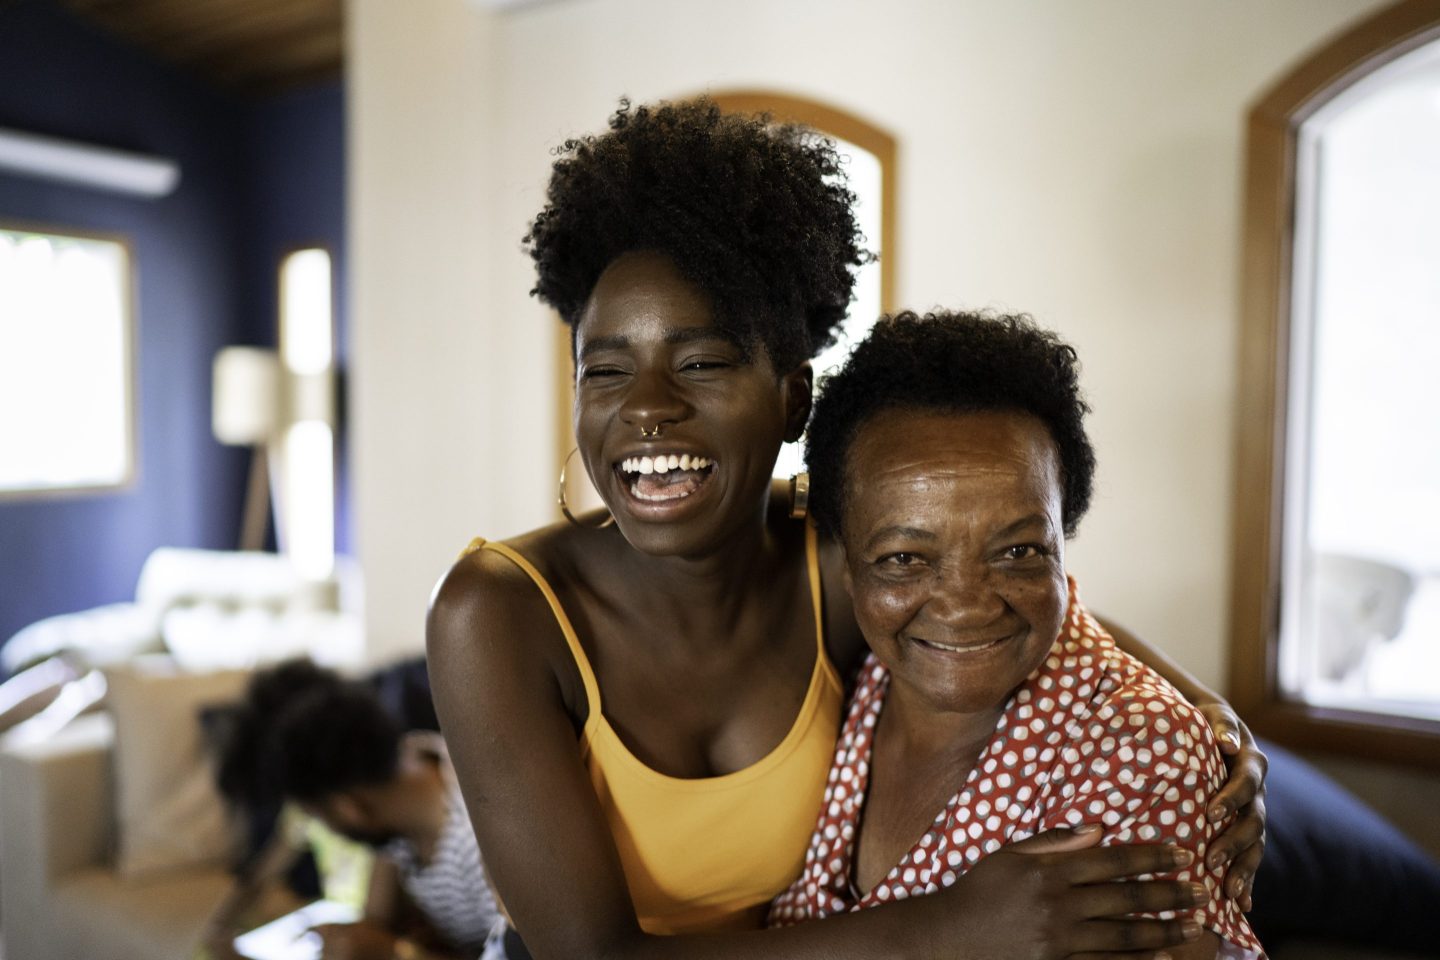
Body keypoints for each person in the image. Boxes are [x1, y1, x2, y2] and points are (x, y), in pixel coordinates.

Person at [427, 98, 1265, 959]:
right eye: (605, 371)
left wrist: (1207, 720)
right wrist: (948, 930)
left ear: (792, 398)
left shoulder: (831, 560)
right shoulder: (494, 614)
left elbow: (997, 595)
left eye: (701, 362)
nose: (645, 408)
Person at [770, 310, 1264, 959]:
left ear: (1065, 538)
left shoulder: (1146, 754)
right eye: (904, 558)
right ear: (842, 564)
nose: (968, 606)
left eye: (1019, 552)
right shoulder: (847, 674)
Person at [207, 660, 507, 960]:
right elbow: (375, 921)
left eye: (317, 817)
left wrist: (397, 953)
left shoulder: (484, 840)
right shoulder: (404, 785)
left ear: (347, 808)